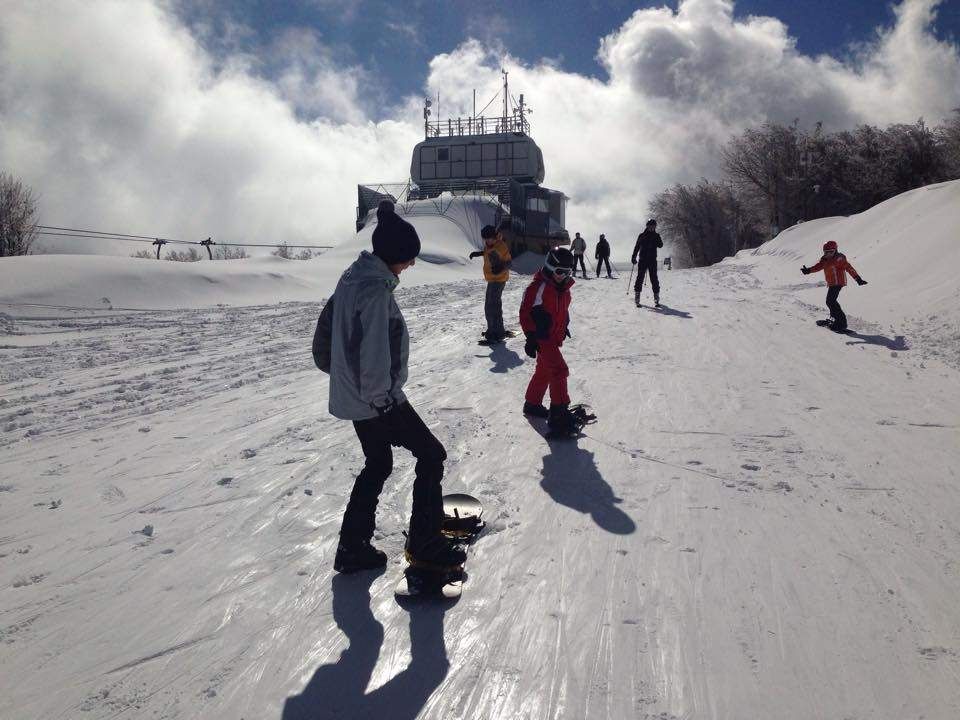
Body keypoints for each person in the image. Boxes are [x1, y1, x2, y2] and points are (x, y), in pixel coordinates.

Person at [314, 200, 466, 573]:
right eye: (408, 258)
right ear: (394, 254)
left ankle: (352, 547)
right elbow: (374, 354)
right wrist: (383, 403)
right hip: (377, 398)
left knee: (378, 462)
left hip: (357, 395)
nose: (411, 264)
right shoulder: (374, 292)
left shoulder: (353, 277)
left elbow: (328, 335)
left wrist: (346, 378)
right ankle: (425, 544)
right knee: (432, 455)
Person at [519, 247, 581, 435]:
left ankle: (532, 403)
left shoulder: (564, 290)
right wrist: (530, 336)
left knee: (544, 370)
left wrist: (564, 326)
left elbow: (562, 311)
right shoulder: (538, 287)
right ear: (549, 267)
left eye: (567, 272)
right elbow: (525, 312)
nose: (563, 276)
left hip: (553, 337)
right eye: (560, 272)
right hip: (541, 337)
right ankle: (558, 414)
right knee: (559, 370)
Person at [801, 240, 867, 332]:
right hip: (832, 283)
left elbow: (849, 268)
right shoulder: (825, 259)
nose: (828, 254)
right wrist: (808, 270)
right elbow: (818, 266)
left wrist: (857, 278)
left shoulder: (839, 259)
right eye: (826, 252)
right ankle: (833, 319)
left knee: (830, 301)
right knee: (830, 301)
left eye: (831, 252)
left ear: (835, 250)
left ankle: (841, 323)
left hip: (838, 282)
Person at [469, 221, 512, 342]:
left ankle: (497, 332)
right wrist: (479, 253)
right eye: (485, 239)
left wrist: (501, 268)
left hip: (499, 279)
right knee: (490, 305)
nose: (487, 241)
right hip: (492, 279)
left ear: (495, 237)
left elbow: (509, 262)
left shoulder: (501, 246)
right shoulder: (490, 245)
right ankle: (495, 330)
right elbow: (488, 252)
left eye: (489, 239)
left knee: (492, 306)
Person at [631, 219, 663, 307]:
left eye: (653, 226)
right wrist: (633, 257)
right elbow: (637, 247)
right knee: (640, 278)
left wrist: (657, 238)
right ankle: (637, 297)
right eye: (650, 226)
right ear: (647, 226)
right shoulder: (642, 235)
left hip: (652, 260)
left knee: (654, 278)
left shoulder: (656, 235)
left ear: (655, 227)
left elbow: (660, 245)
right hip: (643, 260)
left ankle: (656, 297)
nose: (652, 227)